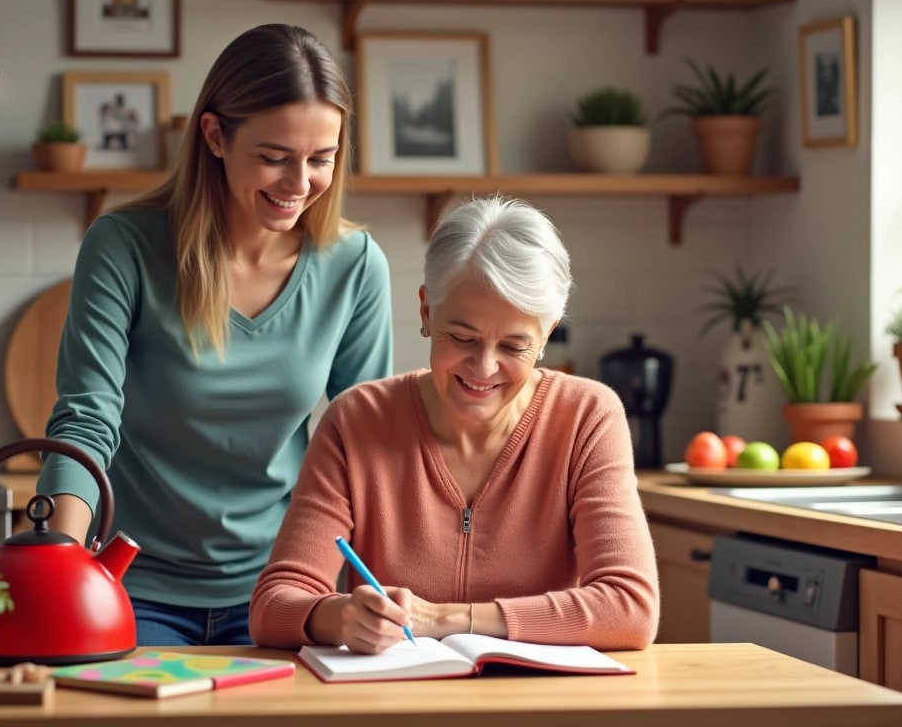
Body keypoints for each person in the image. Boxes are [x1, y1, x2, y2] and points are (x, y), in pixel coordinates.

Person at [35, 23, 394, 647]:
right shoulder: (124, 247)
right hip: (133, 589)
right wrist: (62, 570)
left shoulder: (355, 266)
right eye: (275, 157)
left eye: (322, 159)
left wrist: (374, 589)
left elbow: (366, 446)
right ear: (215, 135)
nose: (299, 184)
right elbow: (87, 419)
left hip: (286, 595)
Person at [251, 196, 659, 654]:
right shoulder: (357, 420)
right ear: (427, 311)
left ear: (546, 335)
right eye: (462, 338)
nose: (484, 367)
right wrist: (338, 617)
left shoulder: (587, 417)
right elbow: (272, 606)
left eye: (513, 346)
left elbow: (630, 610)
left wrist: (445, 618)